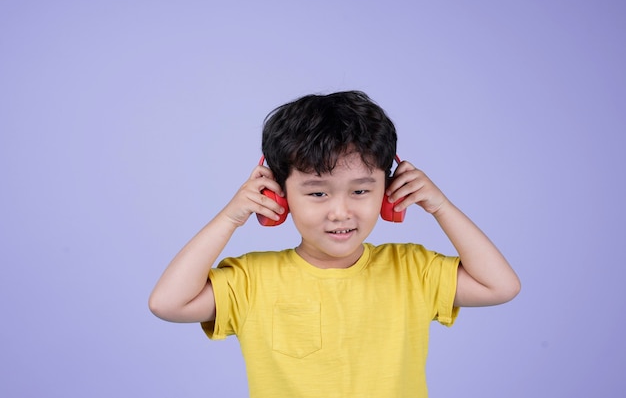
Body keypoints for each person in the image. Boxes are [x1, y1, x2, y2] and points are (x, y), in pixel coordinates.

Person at [149, 90, 521, 398]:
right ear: (278, 194)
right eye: (317, 193)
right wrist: (230, 216)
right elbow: (168, 303)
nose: (340, 212)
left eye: (360, 190)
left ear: (389, 192)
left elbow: (500, 286)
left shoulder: (413, 269)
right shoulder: (251, 279)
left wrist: (440, 207)